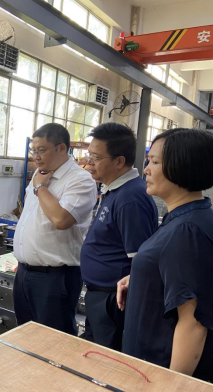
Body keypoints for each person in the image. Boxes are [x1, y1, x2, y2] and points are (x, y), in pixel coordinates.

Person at [117, 128, 213, 384]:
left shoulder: (187, 231)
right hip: (149, 368)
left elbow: (193, 324)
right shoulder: (191, 216)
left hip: (159, 375)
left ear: (183, 166)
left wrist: (170, 390)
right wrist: (141, 278)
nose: (146, 170)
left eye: (155, 162)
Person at [13, 123, 97, 335]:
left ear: (61, 148)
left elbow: (61, 219)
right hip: (24, 273)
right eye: (33, 150)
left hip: (54, 277)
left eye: (41, 150)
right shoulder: (39, 174)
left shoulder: (80, 180)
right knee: (24, 338)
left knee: (53, 341)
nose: (36, 156)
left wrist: (40, 187)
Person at [81, 123, 158, 351]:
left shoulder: (131, 198)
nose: (89, 162)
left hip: (113, 302)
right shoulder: (114, 191)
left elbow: (140, 261)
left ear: (119, 161)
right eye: (89, 155)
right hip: (100, 296)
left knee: (108, 360)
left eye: (96, 157)